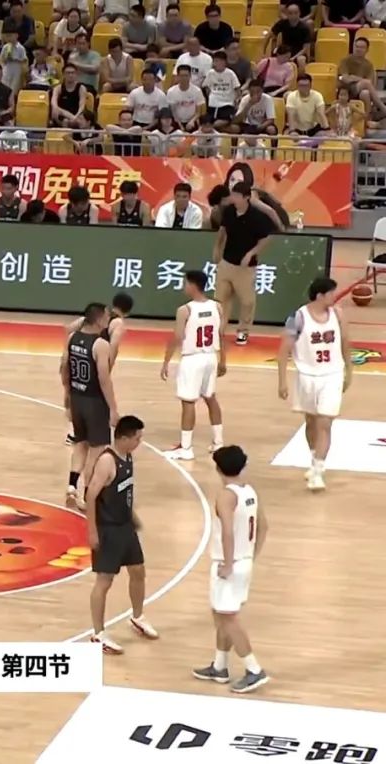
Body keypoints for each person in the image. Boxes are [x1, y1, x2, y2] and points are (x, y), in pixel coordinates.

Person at [192, 445, 269, 693]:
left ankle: (254, 669)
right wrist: (251, 556)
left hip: (230, 563)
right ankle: (220, 666)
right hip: (244, 560)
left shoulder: (226, 496)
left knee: (228, 618)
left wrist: (227, 563)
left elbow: (227, 531)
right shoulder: (250, 491)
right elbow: (264, 527)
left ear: (218, 468)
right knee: (221, 615)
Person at [85, 414, 158, 654]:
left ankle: (137, 616)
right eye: (137, 438)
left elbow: (123, 492)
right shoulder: (107, 461)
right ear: (124, 438)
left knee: (138, 571)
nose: (139, 442)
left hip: (125, 525)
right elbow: (90, 496)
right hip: (108, 529)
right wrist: (92, 531)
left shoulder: (127, 456)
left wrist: (132, 516)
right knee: (104, 581)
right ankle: (98, 633)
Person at [276, 277, 352, 492]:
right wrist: (282, 381)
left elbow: (345, 342)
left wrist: (349, 370)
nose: (335, 297)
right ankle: (313, 459)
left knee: (325, 423)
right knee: (310, 422)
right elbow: (283, 350)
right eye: (331, 293)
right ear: (320, 295)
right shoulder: (298, 318)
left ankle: (318, 471)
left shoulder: (338, 315)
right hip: (306, 376)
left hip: (332, 374)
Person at [161, 270, 225, 460]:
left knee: (188, 402)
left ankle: (186, 448)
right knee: (210, 398)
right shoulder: (217, 306)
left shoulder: (185, 310)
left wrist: (166, 361)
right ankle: (218, 442)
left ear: (192, 285)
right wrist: (223, 360)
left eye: (185, 283)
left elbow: (177, 337)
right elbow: (221, 335)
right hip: (211, 357)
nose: (183, 286)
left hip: (192, 359)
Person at [61, 303, 120, 509]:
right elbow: (104, 379)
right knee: (96, 451)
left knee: (80, 444)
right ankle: (88, 496)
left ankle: (71, 487)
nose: (108, 320)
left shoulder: (72, 338)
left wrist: (67, 398)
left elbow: (64, 369)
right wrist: (113, 408)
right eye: (106, 316)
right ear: (98, 319)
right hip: (94, 402)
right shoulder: (101, 344)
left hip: (77, 398)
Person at [213, 181, 274, 346]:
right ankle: (218, 330)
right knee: (220, 299)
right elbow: (222, 231)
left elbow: (266, 238)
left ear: (246, 197)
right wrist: (217, 248)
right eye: (232, 195)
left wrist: (251, 253)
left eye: (237, 195)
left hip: (246, 268)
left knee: (247, 301)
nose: (233, 198)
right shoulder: (229, 212)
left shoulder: (257, 217)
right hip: (227, 263)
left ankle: (243, 331)